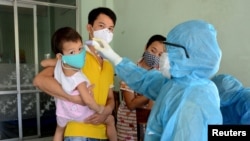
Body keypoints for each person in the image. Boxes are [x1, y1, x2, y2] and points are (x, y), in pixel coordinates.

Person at [89, 19, 223, 141]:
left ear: (188, 55)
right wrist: (114, 58)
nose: (164, 57)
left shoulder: (194, 100)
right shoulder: (176, 83)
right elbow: (145, 80)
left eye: (170, 51)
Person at [33, 7, 117, 141]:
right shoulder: (75, 56)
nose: (106, 32)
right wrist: (74, 99)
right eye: (101, 26)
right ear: (89, 28)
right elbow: (39, 80)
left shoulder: (108, 65)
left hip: (102, 132)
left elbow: (110, 98)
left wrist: (106, 111)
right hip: (78, 132)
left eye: (110, 28)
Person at [116, 34, 166, 141]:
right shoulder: (130, 71)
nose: (156, 56)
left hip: (148, 127)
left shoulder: (161, 76)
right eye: (153, 51)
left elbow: (151, 108)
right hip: (127, 126)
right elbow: (131, 104)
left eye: (160, 54)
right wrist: (155, 92)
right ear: (145, 47)